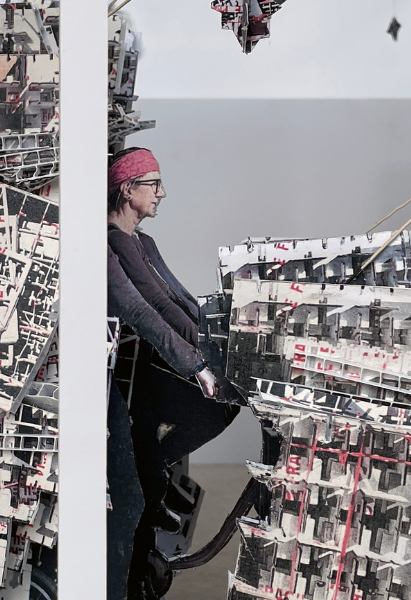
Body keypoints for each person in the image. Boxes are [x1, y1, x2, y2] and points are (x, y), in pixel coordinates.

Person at [106, 147, 236, 599]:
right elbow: (147, 309)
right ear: (127, 189)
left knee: (219, 408)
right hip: (129, 375)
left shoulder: (144, 241)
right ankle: (153, 477)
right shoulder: (112, 244)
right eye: (153, 183)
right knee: (214, 410)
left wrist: (213, 337)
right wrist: (197, 361)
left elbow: (177, 299)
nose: (162, 193)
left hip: (152, 365)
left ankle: (155, 474)